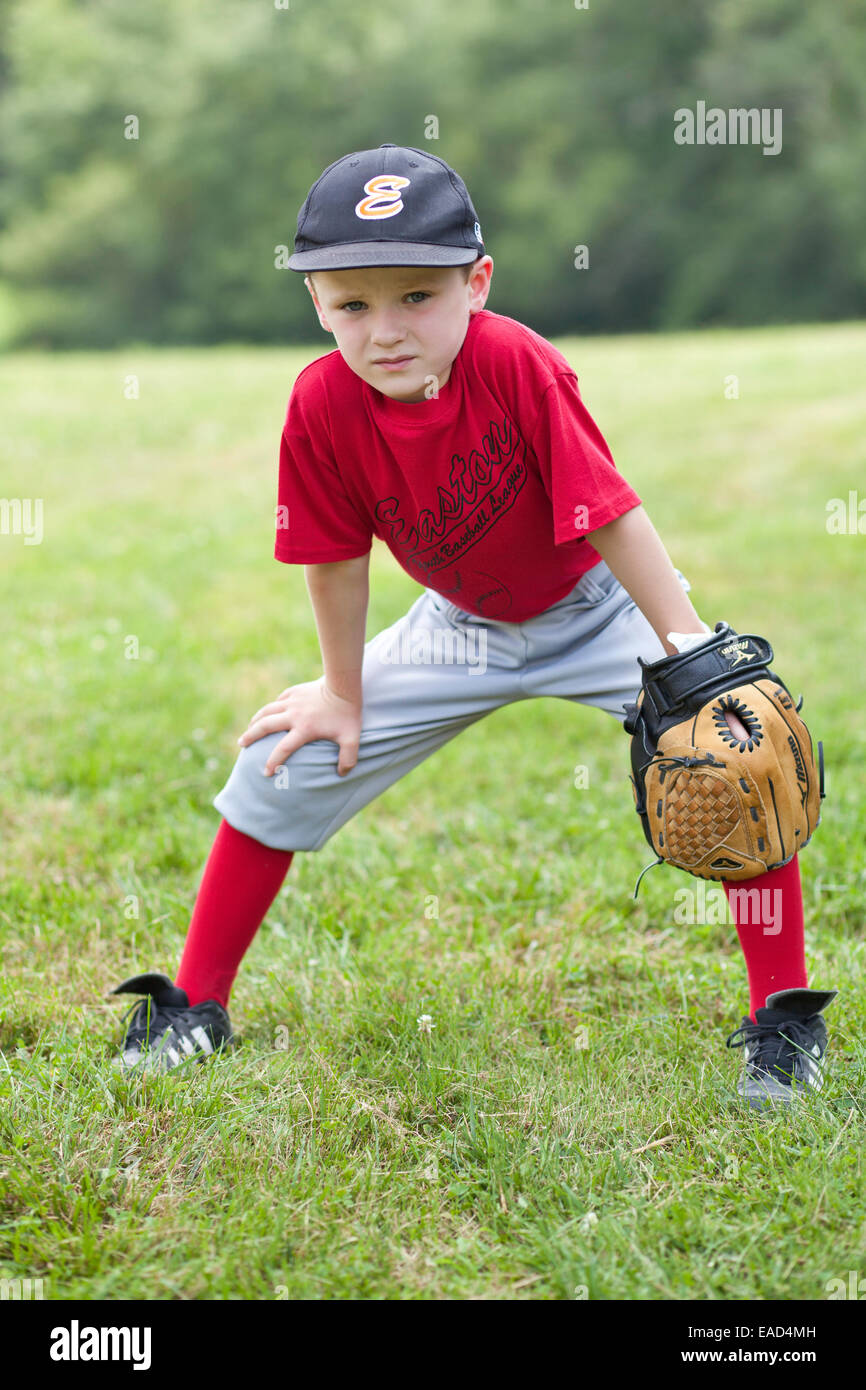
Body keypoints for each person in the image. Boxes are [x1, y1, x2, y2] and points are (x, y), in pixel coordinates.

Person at [112, 144, 835, 1107]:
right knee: (280, 759)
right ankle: (194, 1003)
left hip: (595, 608)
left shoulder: (516, 363)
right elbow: (334, 558)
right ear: (316, 303)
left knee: (743, 763)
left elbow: (612, 515)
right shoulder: (321, 403)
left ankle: (784, 1018)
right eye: (352, 305)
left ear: (476, 283)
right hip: (460, 623)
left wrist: (686, 649)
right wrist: (340, 692)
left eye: (417, 295)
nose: (386, 331)